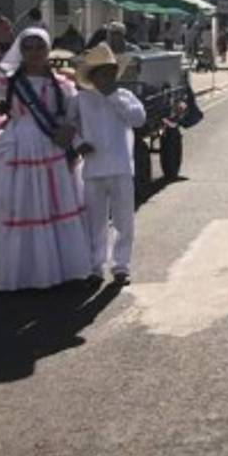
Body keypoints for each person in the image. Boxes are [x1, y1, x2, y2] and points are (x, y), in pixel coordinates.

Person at [0, 27, 95, 290]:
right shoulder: (9, 82)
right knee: (22, 204)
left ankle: (60, 269)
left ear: (48, 50)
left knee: (55, 203)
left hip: (53, 148)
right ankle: (25, 272)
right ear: (21, 50)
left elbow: (74, 113)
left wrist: (69, 129)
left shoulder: (62, 83)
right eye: (29, 47)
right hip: (19, 147)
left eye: (40, 47)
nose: (35, 52)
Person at [74, 43, 147, 285]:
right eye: (101, 74)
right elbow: (70, 126)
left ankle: (121, 266)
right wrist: (78, 143)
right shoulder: (81, 100)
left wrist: (114, 97)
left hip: (121, 167)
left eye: (110, 73)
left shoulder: (125, 97)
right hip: (93, 169)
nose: (106, 78)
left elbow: (138, 119)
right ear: (92, 77)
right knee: (95, 222)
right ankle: (96, 267)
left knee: (123, 220)